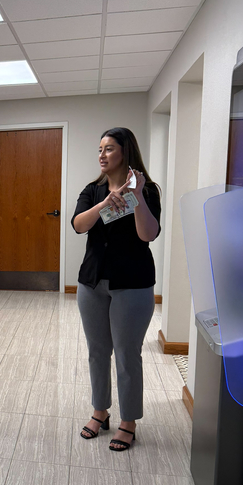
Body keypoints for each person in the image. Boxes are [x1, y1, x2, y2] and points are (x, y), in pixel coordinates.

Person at [72, 127, 161, 451]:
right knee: (98, 352)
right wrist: (105, 203)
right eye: (100, 149)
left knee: (127, 354)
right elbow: (79, 225)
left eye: (109, 148)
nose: (102, 154)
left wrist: (135, 198)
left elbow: (147, 235)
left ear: (125, 151)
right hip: (93, 283)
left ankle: (128, 421)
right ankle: (100, 411)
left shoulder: (148, 190)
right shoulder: (93, 189)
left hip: (132, 284)